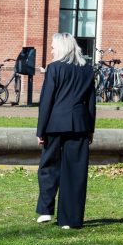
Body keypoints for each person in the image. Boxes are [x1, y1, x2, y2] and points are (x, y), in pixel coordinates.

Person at [34, 32, 96, 229]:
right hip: (80, 125)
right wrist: (91, 129)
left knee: (48, 167)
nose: (51, 50)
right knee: (76, 172)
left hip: (55, 124)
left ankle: (46, 209)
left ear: (61, 47)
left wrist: (40, 130)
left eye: (53, 47)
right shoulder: (87, 70)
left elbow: (46, 101)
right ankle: (70, 219)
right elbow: (91, 103)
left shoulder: (54, 68)